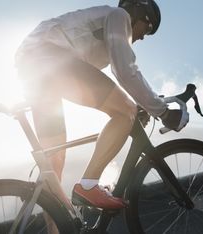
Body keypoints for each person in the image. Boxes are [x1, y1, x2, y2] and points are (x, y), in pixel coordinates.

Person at [15, 0, 188, 210]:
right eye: (148, 27)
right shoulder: (119, 16)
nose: (143, 37)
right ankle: (88, 185)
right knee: (124, 112)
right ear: (137, 11)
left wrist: (138, 104)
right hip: (49, 56)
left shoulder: (102, 38)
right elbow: (125, 71)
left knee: (53, 165)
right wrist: (161, 110)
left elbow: (100, 84)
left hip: (33, 68)